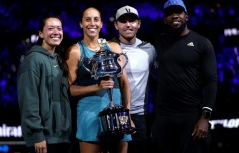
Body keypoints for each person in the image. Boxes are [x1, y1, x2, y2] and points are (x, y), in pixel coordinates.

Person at [151, 0, 217, 153]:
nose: (175, 16)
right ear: (164, 19)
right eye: (170, 13)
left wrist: (205, 117)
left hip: (191, 116)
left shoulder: (202, 43)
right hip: (163, 117)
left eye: (178, 12)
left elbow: (211, 81)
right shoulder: (157, 43)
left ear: (186, 16)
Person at [65, 7, 132, 153]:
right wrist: (97, 87)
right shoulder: (75, 51)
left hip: (118, 115)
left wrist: (128, 114)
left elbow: (124, 84)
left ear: (101, 23)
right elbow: (68, 89)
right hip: (89, 116)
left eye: (96, 19)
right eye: (87, 20)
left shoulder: (114, 48)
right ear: (81, 24)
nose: (92, 23)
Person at [17, 16, 72, 153]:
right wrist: (37, 135)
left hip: (62, 137)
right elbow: (29, 101)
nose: (56, 32)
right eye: (50, 28)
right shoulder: (33, 60)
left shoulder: (59, 60)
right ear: (41, 33)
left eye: (59, 28)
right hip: (43, 140)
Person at [112, 5, 157, 153]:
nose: (128, 25)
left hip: (139, 116)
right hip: (114, 114)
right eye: (123, 21)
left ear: (139, 23)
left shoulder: (149, 49)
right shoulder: (107, 48)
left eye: (132, 21)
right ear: (116, 25)